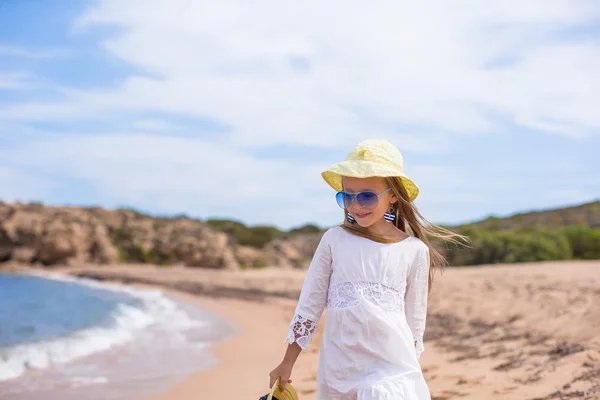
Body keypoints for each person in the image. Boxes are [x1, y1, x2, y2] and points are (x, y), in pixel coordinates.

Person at [268, 138, 467, 399]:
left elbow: (414, 322)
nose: (356, 205)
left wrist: (411, 371)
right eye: (347, 196)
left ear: (393, 196)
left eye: (366, 196)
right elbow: (310, 305)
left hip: (392, 370)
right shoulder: (334, 240)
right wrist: (287, 361)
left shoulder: (414, 250)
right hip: (340, 369)